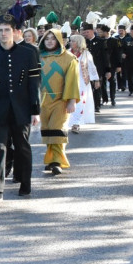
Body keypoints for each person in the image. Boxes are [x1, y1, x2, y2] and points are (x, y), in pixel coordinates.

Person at [0, 13, 41, 203]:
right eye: (1, 31)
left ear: (14, 32)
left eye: (7, 30)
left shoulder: (29, 53)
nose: (4, 34)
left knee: (22, 146)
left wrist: (35, 110)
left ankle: (26, 183)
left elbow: (34, 83)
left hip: (21, 109)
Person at [38, 28, 79, 175]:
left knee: (58, 129)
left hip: (61, 100)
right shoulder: (38, 57)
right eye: (47, 38)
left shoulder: (69, 58)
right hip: (42, 100)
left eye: (53, 38)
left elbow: (73, 80)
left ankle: (57, 161)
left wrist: (72, 100)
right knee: (48, 130)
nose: (50, 41)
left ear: (59, 40)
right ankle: (50, 159)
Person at [68, 34, 100, 133]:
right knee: (69, 102)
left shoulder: (86, 54)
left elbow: (92, 67)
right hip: (69, 81)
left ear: (78, 42)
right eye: (70, 41)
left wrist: (96, 79)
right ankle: (68, 122)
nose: (70, 43)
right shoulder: (67, 53)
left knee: (80, 102)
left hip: (82, 81)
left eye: (73, 41)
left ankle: (76, 123)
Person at [82, 21, 106, 113]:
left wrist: (107, 69)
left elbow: (105, 56)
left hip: (98, 67)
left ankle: (97, 105)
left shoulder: (101, 41)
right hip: (85, 68)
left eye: (88, 32)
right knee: (88, 87)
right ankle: (88, 105)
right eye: (85, 32)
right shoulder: (83, 42)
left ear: (92, 31)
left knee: (97, 87)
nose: (86, 34)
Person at [101, 24, 120, 106]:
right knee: (102, 82)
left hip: (112, 64)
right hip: (102, 64)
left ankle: (113, 98)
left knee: (112, 81)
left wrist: (119, 65)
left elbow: (118, 53)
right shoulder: (100, 40)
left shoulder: (115, 41)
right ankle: (104, 98)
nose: (99, 33)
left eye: (101, 31)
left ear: (106, 32)